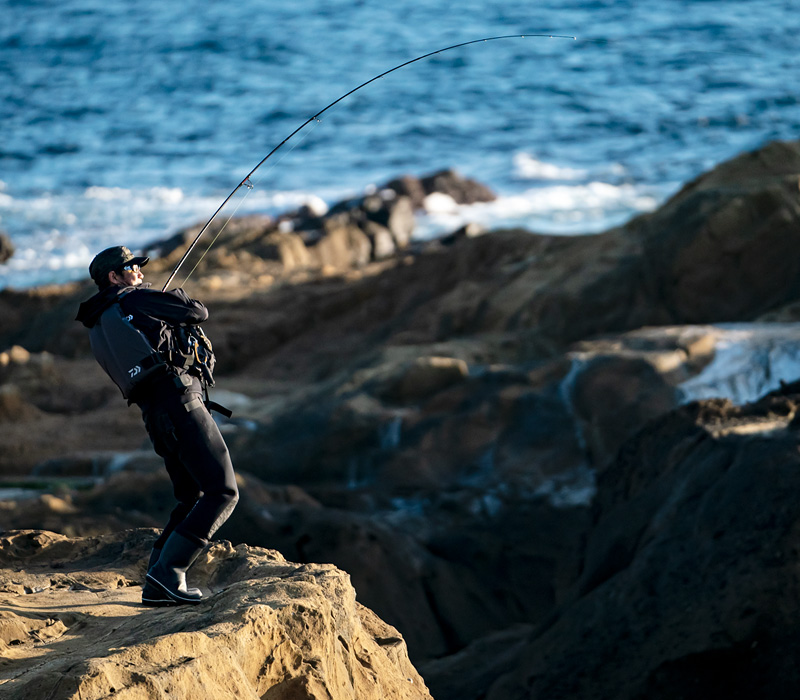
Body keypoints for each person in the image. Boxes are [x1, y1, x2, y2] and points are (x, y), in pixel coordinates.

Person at [76, 246, 238, 606]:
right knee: (223, 492)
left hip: (157, 416)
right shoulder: (133, 300)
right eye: (130, 267)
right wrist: (167, 295)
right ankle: (169, 573)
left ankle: (156, 581)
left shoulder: (103, 318)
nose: (137, 270)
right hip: (182, 407)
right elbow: (197, 311)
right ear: (114, 278)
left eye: (137, 265)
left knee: (191, 495)